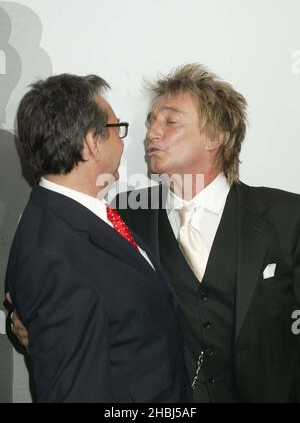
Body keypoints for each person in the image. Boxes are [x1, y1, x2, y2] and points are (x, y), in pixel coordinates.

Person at [10, 64, 300, 403]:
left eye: (170, 121)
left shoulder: (286, 216)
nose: (151, 133)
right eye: (150, 121)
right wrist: (24, 325)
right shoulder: (121, 215)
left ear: (216, 135)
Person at [5, 74, 191, 403]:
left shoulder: (88, 215)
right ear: (92, 142)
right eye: (117, 130)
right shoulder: (52, 254)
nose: (124, 141)